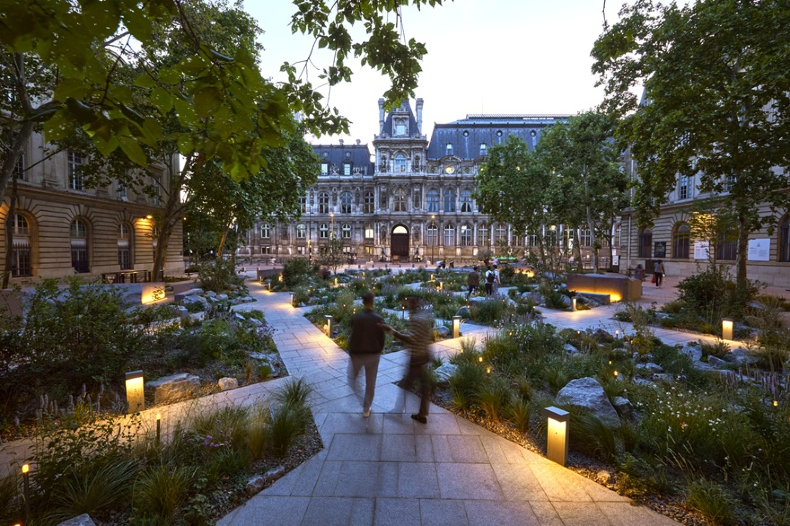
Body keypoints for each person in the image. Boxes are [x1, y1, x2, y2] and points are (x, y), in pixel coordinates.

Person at [381, 296, 434, 424]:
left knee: (406, 384)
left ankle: (398, 411)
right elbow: (429, 336)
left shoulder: (416, 319)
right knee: (424, 387)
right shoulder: (424, 317)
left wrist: (393, 332)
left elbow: (411, 339)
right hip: (424, 356)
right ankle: (422, 414)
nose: (407, 308)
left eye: (409, 305)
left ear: (412, 306)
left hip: (416, 358)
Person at [347, 292, 386, 418]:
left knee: (352, 380)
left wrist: (351, 351)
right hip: (373, 355)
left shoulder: (357, 318)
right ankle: (366, 407)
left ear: (363, 302)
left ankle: (361, 401)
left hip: (357, 355)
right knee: (370, 383)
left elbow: (352, 335)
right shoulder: (378, 318)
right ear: (372, 302)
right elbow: (382, 338)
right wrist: (378, 350)